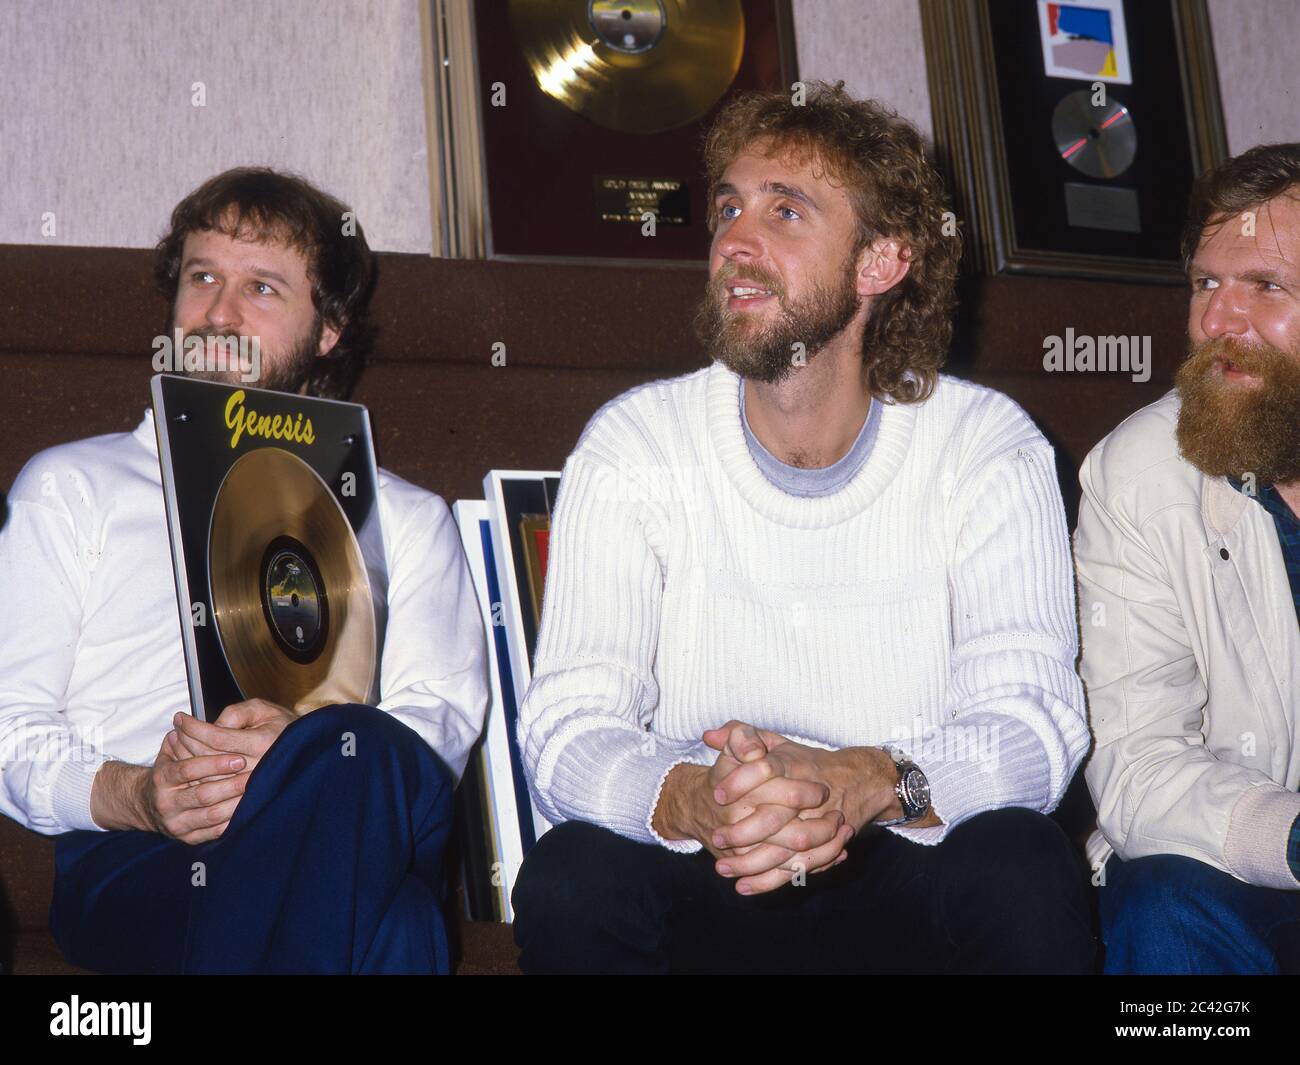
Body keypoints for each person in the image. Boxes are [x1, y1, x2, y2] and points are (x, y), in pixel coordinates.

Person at [510, 82, 1095, 974]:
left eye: (786, 212)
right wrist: (691, 796)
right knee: (569, 878)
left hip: (897, 855)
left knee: (1020, 864)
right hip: (714, 862)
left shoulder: (984, 445)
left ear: (881, 262)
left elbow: (1037, 724)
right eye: (729, 208)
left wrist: (867, 780)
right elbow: (565, 726)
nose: (736, 241)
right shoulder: (636, 442)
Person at [0, 167, 489, 974]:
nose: (217, 313)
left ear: (328, 329)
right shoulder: (71, 487)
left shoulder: (404, 519)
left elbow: (436, 734)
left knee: (356, 750)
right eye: (202, 278)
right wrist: (140, 792)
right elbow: (8, 720)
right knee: (397, 929)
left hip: (356, 810)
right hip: (141, 859)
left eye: (261, 286)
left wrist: (303, 754)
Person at [1078, 143, 1300, 975]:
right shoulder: (1139, 472)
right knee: (1162, 909)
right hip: (1235, 865)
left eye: (1266, 287)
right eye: (1207, 283)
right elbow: (1135, 766)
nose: (1218, 321)